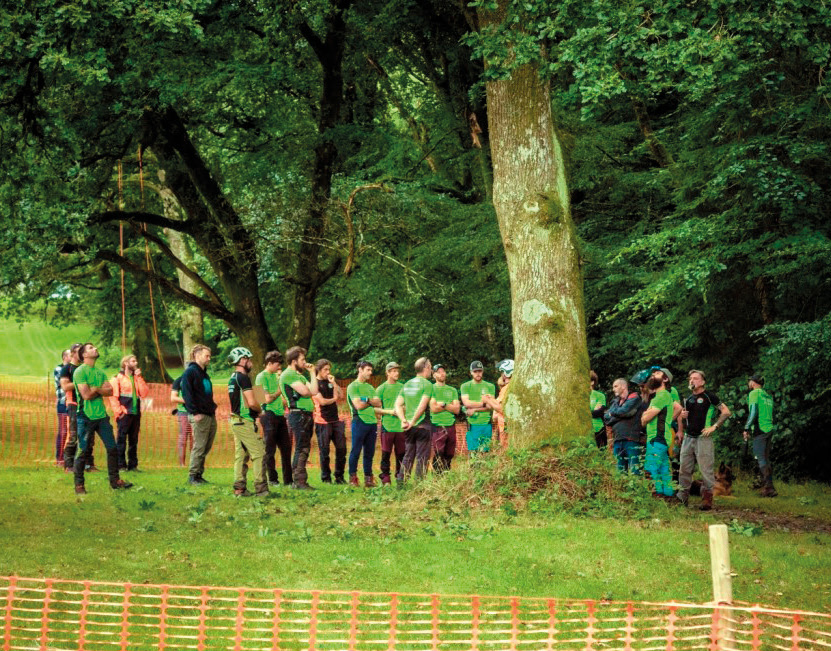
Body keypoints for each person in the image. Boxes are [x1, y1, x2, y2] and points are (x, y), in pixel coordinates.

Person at [72, 343, 132, 494]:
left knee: (112, 448)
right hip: (85, 417)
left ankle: (115, 481)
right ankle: (79, 485)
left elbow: (110, 390)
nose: (96, 349)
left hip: (101, 417)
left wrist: (96, 389)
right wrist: (100, 390)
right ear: (84, 355)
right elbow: (85, 395)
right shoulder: (80, 372)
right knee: (83, 451)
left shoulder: (100, 372)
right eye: (91, 348)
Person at [678, 369, 732, 510]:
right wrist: (682, 416)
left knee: (706, 470)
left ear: (702, 382)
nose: (692, 380)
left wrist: (714, 426)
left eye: (695, 378)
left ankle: (707, 499)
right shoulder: (688, 399)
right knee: (684, 469)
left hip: (704, 438)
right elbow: (685, 420)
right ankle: (682, 498)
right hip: (688, 438)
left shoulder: (709, 397)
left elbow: (726, 412)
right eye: (690, 378)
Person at [227, 347, 267, 497]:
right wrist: (259, 411)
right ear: (242, 360)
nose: (250, 362)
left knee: (241, 455)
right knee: (259, 454)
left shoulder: (233, 377)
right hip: (244, 421)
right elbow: (251, 402)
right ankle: (261, 489)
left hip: (237, 421)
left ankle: (239, 488)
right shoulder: (243, 378)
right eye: (249, 359)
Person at [280, 346, 319, 490]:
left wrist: (313, 373)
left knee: (305, 447)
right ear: (293, 360)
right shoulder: (287, 375)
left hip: (306, 415)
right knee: (300, 448)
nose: (305, 362)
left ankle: (300, 480)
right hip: (297, 414)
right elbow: (306, 392)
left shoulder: (300, 376)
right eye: (302, 359)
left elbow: (314, 391)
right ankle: (298, 481)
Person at [180, 344, 218, 485]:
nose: (209, 358)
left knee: (206, 446)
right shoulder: (190, 372)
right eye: (206, 355)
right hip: (199, 415)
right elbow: (187, 394)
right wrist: (194, 412)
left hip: (209, 414)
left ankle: (199, 474)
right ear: (197, 355)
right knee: (199, 446)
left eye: (209, 356)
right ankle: (193, 476)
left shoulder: (204, 373)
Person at [256, 350, 293, 486]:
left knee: (286, 448)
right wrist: (280, 390)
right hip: (267, 414)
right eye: (277, 365)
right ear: (269, 363)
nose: (279, 368)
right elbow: (265, 399)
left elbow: (281, 400)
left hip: (280, 414)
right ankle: (272, 479)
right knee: (269, 449)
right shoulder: (260, 377)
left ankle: (288, 480)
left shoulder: (277, 377)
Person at [641, 375, 680, 499]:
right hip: (662, 438)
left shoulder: (662, 396)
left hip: (657, 438)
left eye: (656, 375)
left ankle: (656, 496)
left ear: (664, 380)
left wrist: (644, 415)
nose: (653, 376)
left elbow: (645, 419)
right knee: (663, 469)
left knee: (651, 469)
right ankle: (668, 497)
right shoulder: (662, 396)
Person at [395, 357, 433, 481]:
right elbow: (423, 406)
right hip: (423, 426)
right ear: (426, 368)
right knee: (422, 457)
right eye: (430, 367)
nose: (431, 370)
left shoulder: (407, 384)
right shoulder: (427, 384)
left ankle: (401, 483)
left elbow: (398, 404)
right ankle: (419, 486)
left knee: (408, 456)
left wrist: (403, 420)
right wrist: (413, 421)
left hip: (409, 428)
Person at [109, 354, 150, 472]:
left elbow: (144, 393)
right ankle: (121, 465)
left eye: (135, 360)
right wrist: (119, 412)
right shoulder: (117, 378)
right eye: (133, 361)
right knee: (121, 440)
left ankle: (133, 465)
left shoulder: (137, 378)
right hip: (124, 413)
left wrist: (140, 377)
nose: (136, 363)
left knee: (134, 440)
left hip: (136, 412)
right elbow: (113, 397)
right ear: (126, 363)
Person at [60, 343, 96, 472]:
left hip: (87, 404)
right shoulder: (67, 369)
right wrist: (80, 383)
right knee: (74, 436)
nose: (81, 354)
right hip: (73, 405)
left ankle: (88, 464)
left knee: (89, 436)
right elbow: (65, 387)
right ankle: (69, 465)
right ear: (73, 354)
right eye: (78, 351)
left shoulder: (84, 368)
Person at [346, 360, 381, 487]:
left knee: (369, 452)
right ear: (360, 370)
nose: (370, 373)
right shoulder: (353, 386)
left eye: (371, 370)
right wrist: (370, 401)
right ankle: (353, 477)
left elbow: (379, 402)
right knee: (356, 450)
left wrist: (366, 399)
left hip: (372, 422)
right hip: (359, 421)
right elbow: (358, 406)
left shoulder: (370, 387)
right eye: (368, 370)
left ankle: (368, 478)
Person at [743, 374, 777, 497]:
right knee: (765, 458)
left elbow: (753, 411)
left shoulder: (754, 393)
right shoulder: (767, 395)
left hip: (760, 429)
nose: (748, 383)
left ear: (753, 383)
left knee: (760, 458)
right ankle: (765, 485)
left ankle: (769, 488)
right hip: (769, 428)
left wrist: (746, 427)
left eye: (749, 381)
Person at [312, 358, 345, 484]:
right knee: (324, 451)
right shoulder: (315, 383)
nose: (328, 372)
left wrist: (334, 384)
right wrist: (334, 398)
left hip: (336, 420)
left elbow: (341, 396)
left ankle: (339, 477)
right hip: (322, 421)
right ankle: (326, 478)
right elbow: (322, 402)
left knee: (341, 449)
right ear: (319, 370)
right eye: (325, 369)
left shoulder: (330, 382)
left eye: (329, 369)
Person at [604, 378, 643, 474]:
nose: (613, 389)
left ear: (624, 386)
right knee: (619, 473)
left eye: (615, 386)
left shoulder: (634, 397)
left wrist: (612, 414)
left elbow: (625, 412)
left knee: (635, 472)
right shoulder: (615, 402)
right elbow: (606, 418)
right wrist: (618, 414)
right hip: (617, 440)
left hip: (631, 439)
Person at [375, 362, 405, 485]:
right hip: (387, 426)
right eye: (393, 371)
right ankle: (386, 478)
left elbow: (409, 404)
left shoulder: (403, 387)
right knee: (386, 454)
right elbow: (375, 409)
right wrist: (390, 411)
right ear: (387, 373)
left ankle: (400, 478)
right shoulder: (381, 388)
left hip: (401, 427)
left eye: (397, 371)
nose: (396, 373)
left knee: (401, 455)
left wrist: (403, 410)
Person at [429, 363, 459, 474]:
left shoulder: (452, 390)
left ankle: (446, 476)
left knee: (450, 453)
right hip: (437, 425)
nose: (442, 373)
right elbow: (433, 408)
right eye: (438, 372)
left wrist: (444, 404)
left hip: (451, 424)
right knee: (438, 452)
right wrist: (449, 406)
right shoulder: (431, 388)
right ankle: (437, 477)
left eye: (443, 371)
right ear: (434, 375)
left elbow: (457, 409)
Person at [460, 361, 496, 453]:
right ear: (471, 372)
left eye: (479, 371)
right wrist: (484, 403)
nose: (478, 373)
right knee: (473, 453)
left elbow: (491, 406)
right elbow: (467, 403)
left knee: (486, 453)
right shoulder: (465, 386)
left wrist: (475, 408)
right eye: (475, 371)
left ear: (483, 371)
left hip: (486, 424)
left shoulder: (490, 386)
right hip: (472, 424)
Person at [170, 372, 192, 467]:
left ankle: (193, 463)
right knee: (183, 438)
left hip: (196, 412)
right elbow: (173, 398)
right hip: (183, 412)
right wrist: (189, 400)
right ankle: (182, 464)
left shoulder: (197, 380)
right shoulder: (179, 380)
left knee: (194, 439)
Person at [491, 359, 514, 448]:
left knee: (506, 451)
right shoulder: (512, 387)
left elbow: (501, 408)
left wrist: (489, 400)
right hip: (509, 426)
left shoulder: (506, 389)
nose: (501, 375)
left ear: (506, 373)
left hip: (505, 426)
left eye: (502, 372)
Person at [54, 350, 70, 466]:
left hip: (73, 403)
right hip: (63, 403)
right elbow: (65, 385)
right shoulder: (59, 369)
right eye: (71, 354)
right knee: (63, 431)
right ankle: (60, 458)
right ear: (64, 357)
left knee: (73, 431)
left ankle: (70, 457)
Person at [590, 370, 607, 448]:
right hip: (584, 431)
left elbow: (598, 413)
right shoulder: (578, 397)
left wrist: (585, 413)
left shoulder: (599, 395)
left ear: (592, 382)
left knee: (601, 454)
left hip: (598, 429)